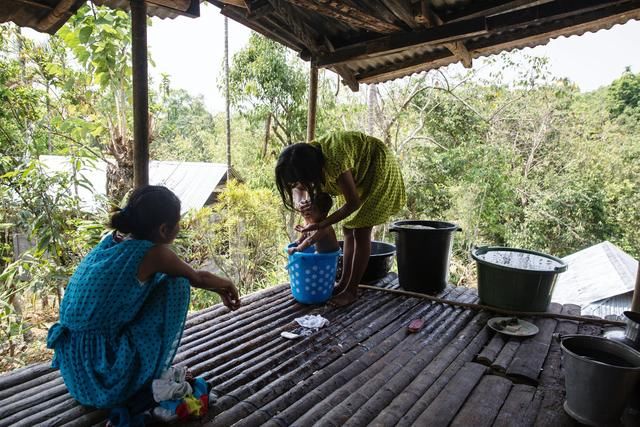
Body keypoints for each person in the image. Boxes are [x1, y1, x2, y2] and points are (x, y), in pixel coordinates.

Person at [47, 185, 240, 410]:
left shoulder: (111, 242)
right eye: (178, 223)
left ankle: (137, 369)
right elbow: (196, 277)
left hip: (76, 373)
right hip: (104, 380)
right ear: (164, 229)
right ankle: (145, 373)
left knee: (158, 281)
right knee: (176, 284)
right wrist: (226, 284)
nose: (180, 227)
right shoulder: (153, 253)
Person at [276, 131, 406, 306]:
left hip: (378, 167)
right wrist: (301, 203)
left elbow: (353, 203)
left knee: (360, 231)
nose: (297, 186)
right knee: (347, 229)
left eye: (300, 181)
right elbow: (298, 190)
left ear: (312, 173)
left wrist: (324, 223)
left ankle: (352, 291)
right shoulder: (303, 158)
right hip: (359, 172)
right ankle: (344, 283)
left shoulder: (335, 160)